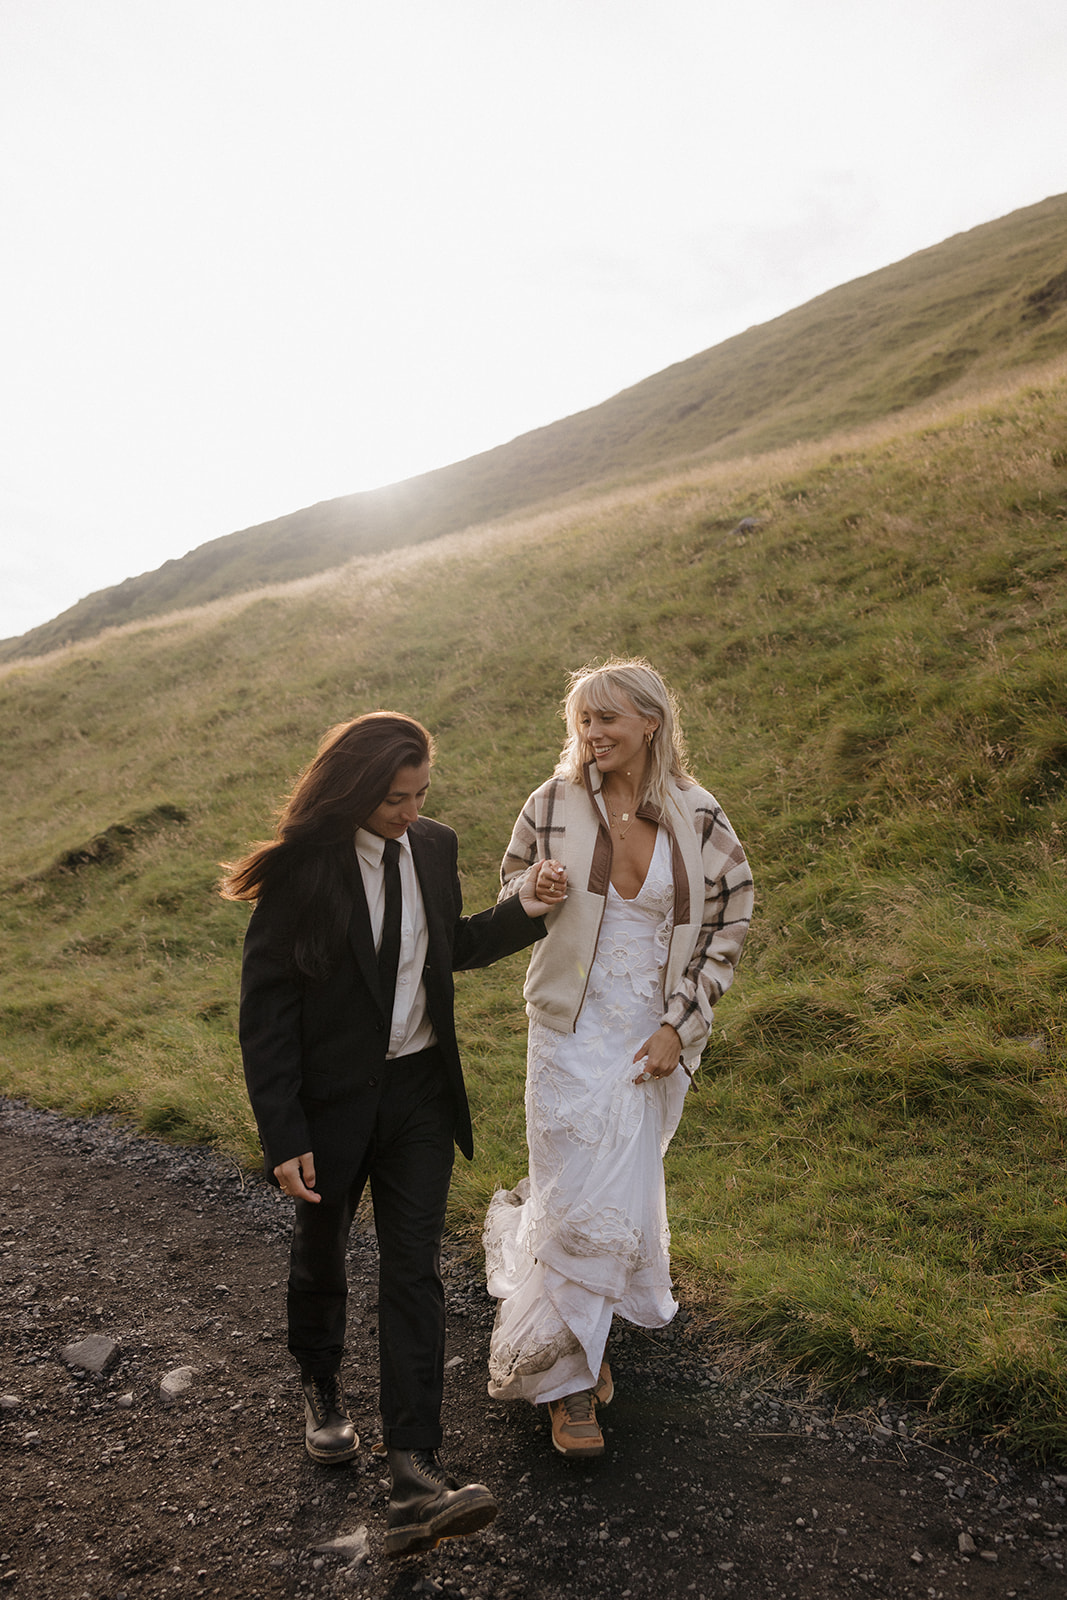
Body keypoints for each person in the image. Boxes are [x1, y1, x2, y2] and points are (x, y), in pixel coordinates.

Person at [222, 712, 559, 1556]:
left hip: (417, 1096)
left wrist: (525, 908)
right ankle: (322, 1390)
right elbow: (267, 1009)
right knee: (324, 1250)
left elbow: (449, 948)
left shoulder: (434, 846)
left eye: (418, 796)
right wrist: (283, 1128)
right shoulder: (306, 869)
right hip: (329, 1104)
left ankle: (414, 1473)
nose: (409, 812)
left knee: (413, 1270)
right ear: (354, 789)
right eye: (392, 799)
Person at [482, 660, 753, 1458]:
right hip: (564, 1034)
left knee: (616, 1198)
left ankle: (580, 1347)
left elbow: (727, 923)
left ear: (650, 723)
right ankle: (568, 1392)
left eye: (606, 720)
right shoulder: (551, 803)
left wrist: (680, 1023)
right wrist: (536, 885)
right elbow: (507, 900)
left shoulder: (698, 815)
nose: (591, 735)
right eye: (582, 722)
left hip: (647, 1036)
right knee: (573, 1199)